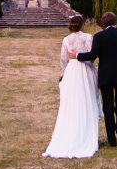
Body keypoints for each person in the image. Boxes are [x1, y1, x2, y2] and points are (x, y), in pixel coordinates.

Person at [76, 11, 117, 147]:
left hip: (105, 76)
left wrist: (77, 55)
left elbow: (93, 54)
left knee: (108, 106)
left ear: (103, 25)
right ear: (116, 23)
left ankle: (111, 139)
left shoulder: (99, 37)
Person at [42, 16, 100, 160]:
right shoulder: (88, 37)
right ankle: (87, 133)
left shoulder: (66, 40)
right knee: (87, 100)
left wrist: (63, 74)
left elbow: (63, 60)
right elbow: (91, 56)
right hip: (85, 69)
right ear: (82, 25)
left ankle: (72, 131)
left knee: (72, 102)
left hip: (72, 70)